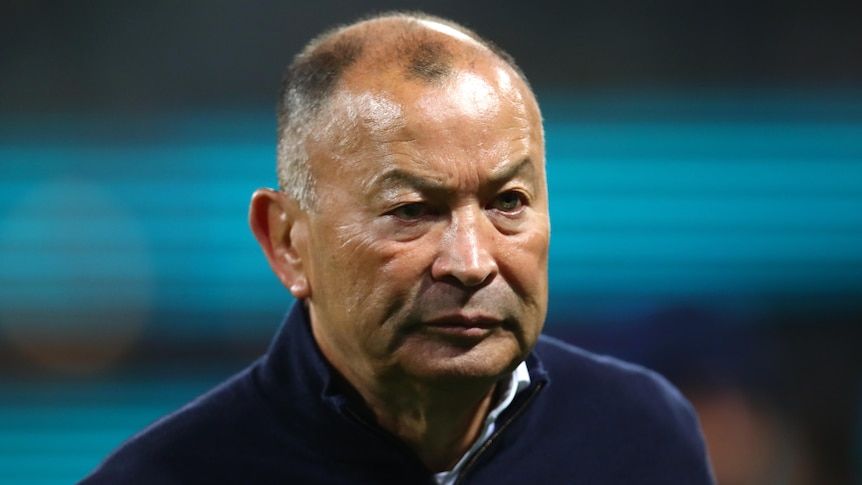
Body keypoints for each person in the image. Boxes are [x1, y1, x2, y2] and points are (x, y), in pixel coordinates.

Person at [81, 12, 714, 484]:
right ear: (286, 242)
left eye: (508, 203)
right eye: (411, 211)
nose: (471, 261)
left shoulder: (643, 435)